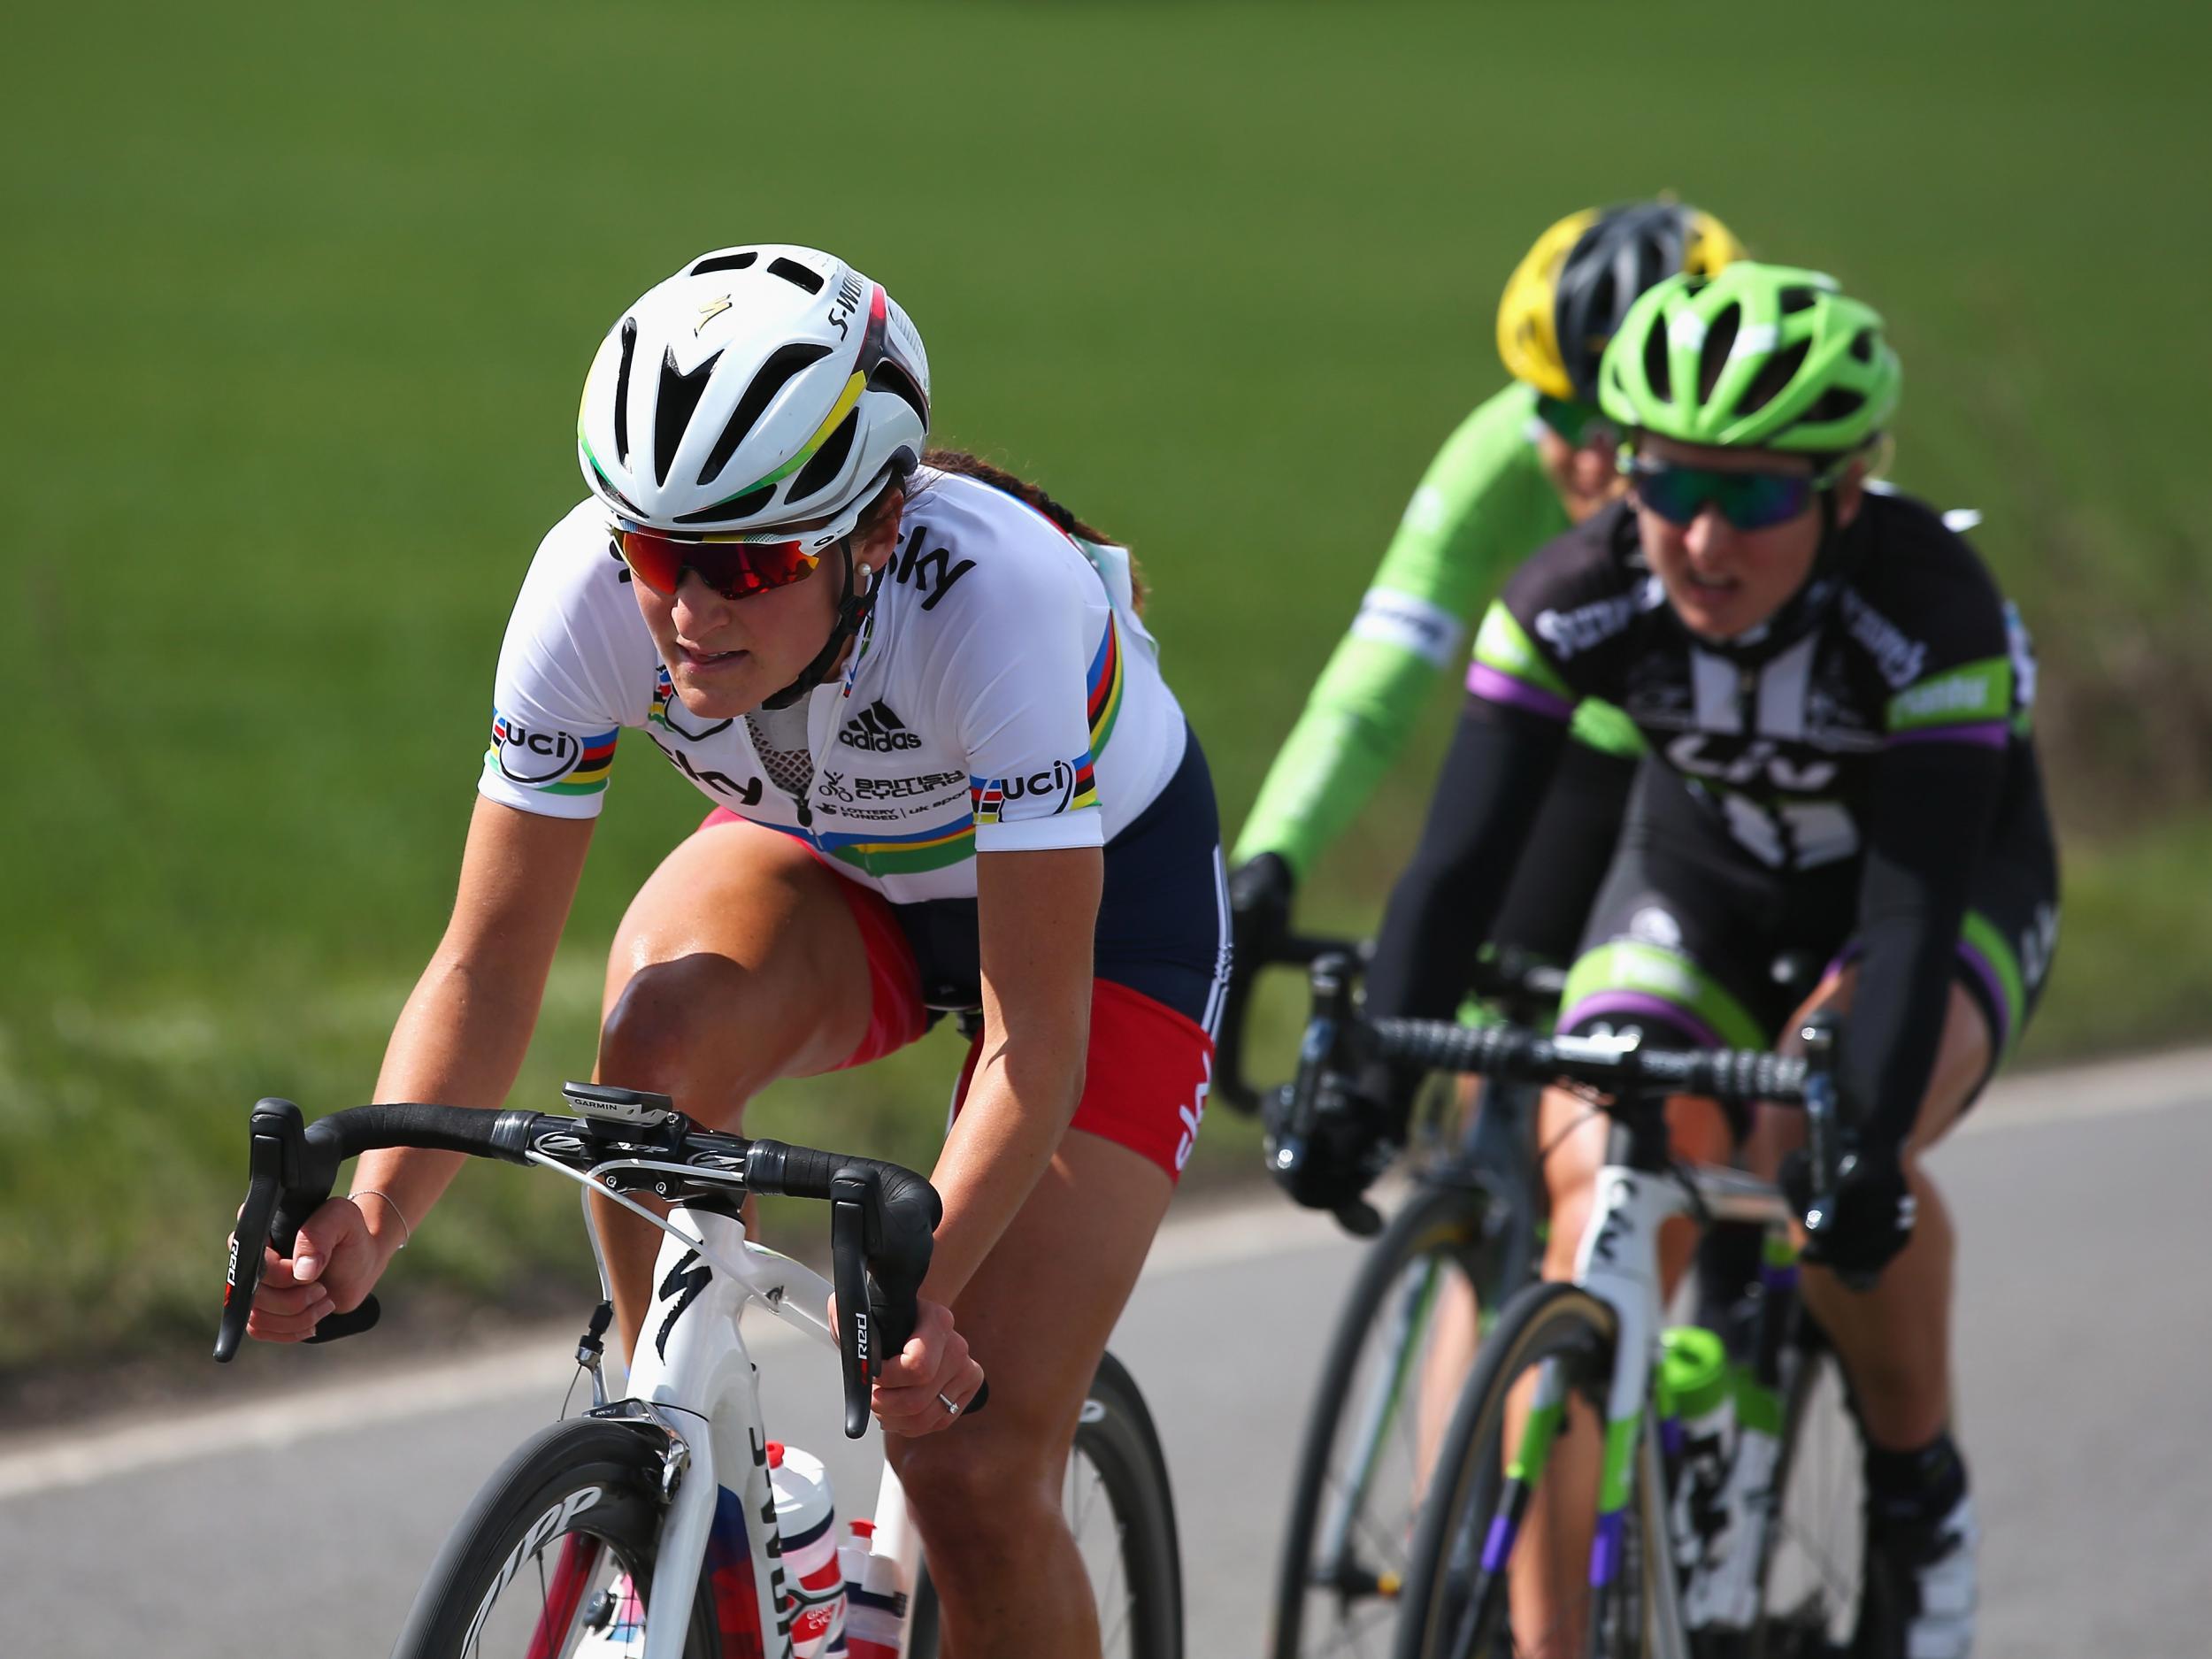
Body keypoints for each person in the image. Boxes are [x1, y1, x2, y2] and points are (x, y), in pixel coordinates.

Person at [240, 244, 1227, 1659]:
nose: (691, 614)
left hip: (1103, 905)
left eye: (751, 563)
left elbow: (1034, 1042)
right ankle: (699, 1479)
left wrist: (916, 1300)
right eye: (655, 553)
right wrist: (373, 1217)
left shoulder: (998, 600)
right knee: (651, 1049)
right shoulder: (583, 593)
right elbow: (487, 963)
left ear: (872, 529)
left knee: (970, 1463)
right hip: (846, 865)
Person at [1353, 260, 2058, 1656]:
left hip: (1925, 895)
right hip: (1701, 885)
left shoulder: (1932, 607)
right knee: (1600, 1176)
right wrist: (1369, 1068)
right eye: (1667, 484)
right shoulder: (1575, 590)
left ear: (1846, 493)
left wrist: (1855, 1149)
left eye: (1754, 497)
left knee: (1833, 1126)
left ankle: (1918, 1495)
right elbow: (1452, 870)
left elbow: (1912, 915)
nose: (1700, 538)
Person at [1226, 200, 1747, 1127]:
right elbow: (1371, 691)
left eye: (1622, 422)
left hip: (1731, 780)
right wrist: (1272, 856)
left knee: (1696, 1101)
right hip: (1583, 756)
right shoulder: (1495, 457)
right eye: (1560, 410)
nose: (1591, 460)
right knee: (1479, 1071)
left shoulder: (1752, 507)